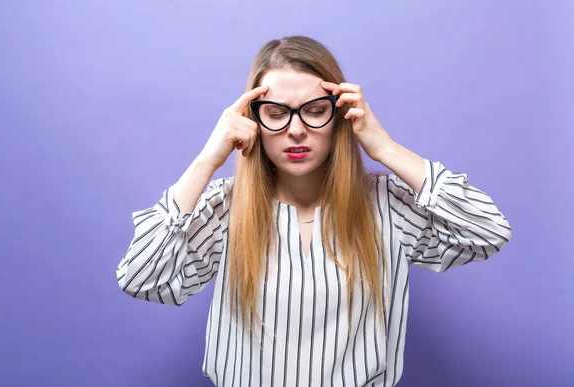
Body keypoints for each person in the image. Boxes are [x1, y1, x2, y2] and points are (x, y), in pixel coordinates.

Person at [116, 36, 512, 387]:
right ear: (252, 120)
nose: (296, 130)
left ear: (340, 115)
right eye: (275, 112)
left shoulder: (389, 205)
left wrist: (385, 149)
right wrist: (206, 160)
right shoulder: (225, 208)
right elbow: (142, 278)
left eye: (315, 109)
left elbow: (487, 231)